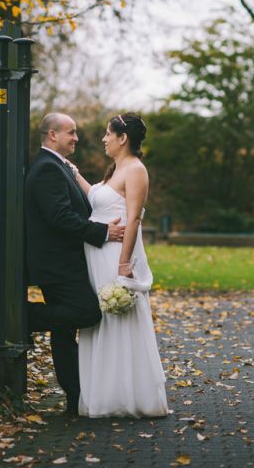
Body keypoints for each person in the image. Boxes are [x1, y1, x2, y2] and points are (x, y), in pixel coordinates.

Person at [25, 112, 125, 415]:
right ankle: (22, 318)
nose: (76, 138)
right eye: (71, 132)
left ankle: (75, 395)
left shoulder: (57, 166)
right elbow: (60, 218)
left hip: (62, 262)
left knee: (64, 331)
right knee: (87, 312)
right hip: (58, 265)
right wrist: (104, 232)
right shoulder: (46, 169)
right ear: (52, 135)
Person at [72, 112, 169, 418]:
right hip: (98, 254)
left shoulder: (136, 170)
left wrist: (125, 263)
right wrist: (73, 173)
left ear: (122, 138)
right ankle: (102, 393)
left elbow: (134, 219)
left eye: (107, 133)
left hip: (116, 256)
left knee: (118, 322)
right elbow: (99, 201)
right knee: (100, 321)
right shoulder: (116, 169)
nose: (104, 138)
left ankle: (125, 395)